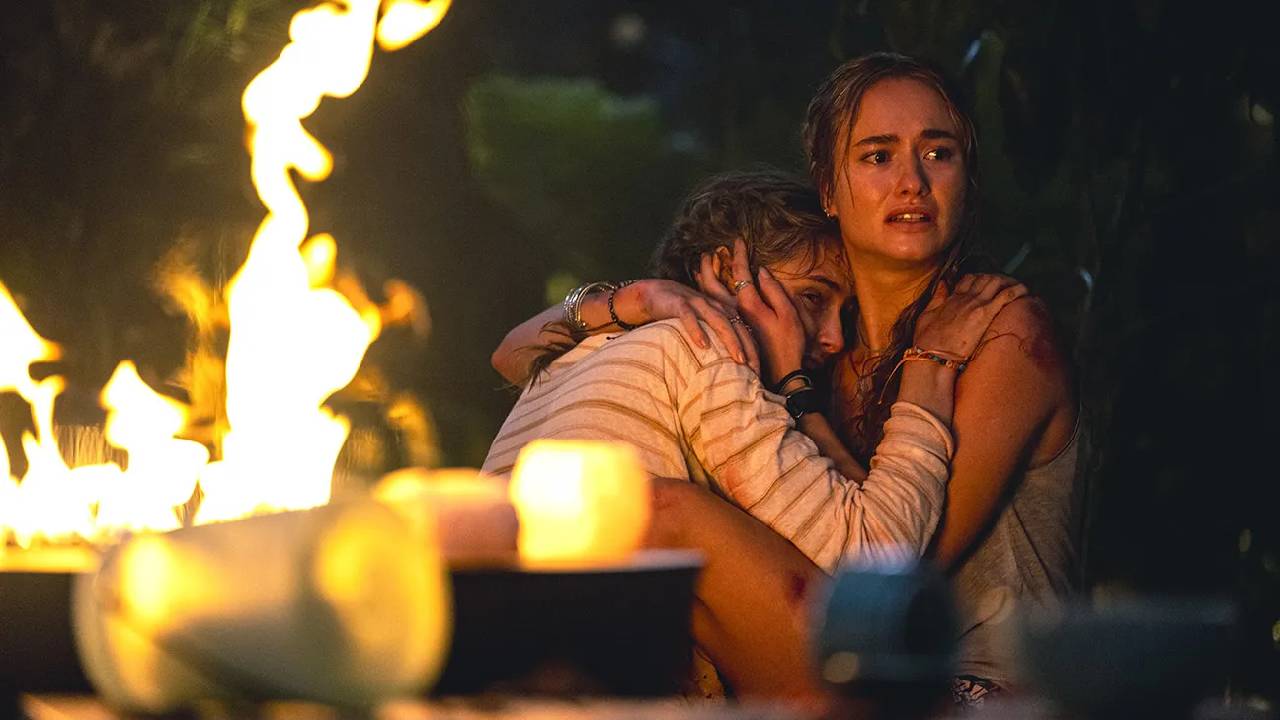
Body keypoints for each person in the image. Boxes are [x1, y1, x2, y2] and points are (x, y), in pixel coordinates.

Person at [484, 169, 1025, 699]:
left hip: (499, 662)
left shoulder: (565, 361)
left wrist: (636, 300)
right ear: (726, 270)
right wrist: (930, 363)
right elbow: (874, 559)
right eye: (812, 298)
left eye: (845, 315)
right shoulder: (705, 350)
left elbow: (508, 354)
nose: (835, 339)